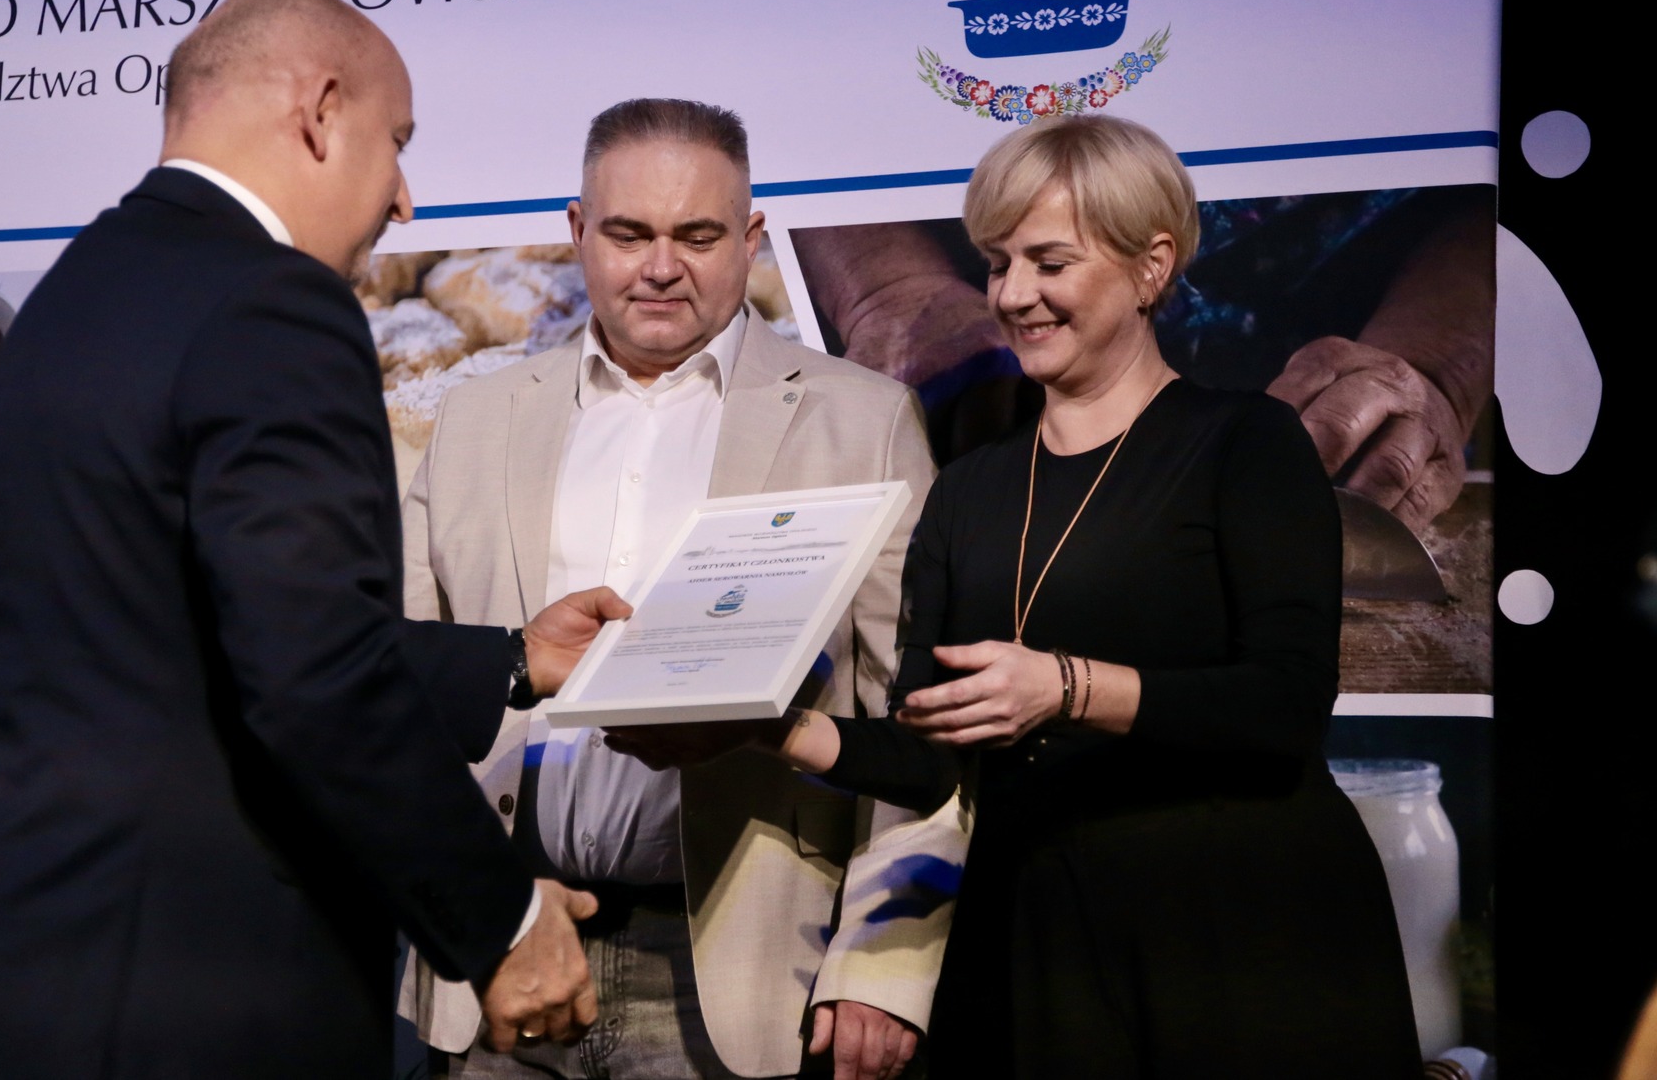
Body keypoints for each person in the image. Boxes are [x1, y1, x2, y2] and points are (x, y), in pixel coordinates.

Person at [0, 0, 629, 1080]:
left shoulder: (69, 299)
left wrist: (507, 661)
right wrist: (504, 922)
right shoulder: (275, 304)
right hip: (183, 997)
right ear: (320, 112)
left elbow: (177, 638)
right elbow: (313, 671)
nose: (403, 198)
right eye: (397, 142)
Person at [762, 116, 1420, 1078]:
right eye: (998, 262)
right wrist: (764, 726)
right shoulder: (968, 488)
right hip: (1039, 939)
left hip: (1238, 933)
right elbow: (926, 752)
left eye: (1050, 262)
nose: (1012, 294)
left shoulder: (1246, 443)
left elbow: (1283, 707)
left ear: (1152, 266)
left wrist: (1066, 686)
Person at [398, 98, 964, 1080]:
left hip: (740, 977)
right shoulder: (473, 419)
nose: (661, 266)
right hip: (504, 951)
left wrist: (884, 960)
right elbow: (401, 685)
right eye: (629, 234)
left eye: (697, 236)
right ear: (578, 231)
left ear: (750, 237)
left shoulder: (861, 421)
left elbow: (917, 715)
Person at [792, 184, 1494, 534]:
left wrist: (1435, 367)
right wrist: (890, 288)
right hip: (970, 345)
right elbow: (799, 72)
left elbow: (1483, 188)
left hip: (1368, 303)